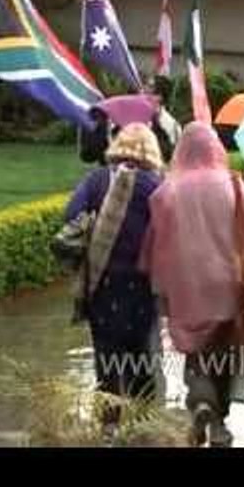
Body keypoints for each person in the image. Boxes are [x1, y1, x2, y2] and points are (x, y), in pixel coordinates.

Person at [139, 123, 244, 447]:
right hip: (228, 283)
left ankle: (202, 403)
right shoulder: (232, 185)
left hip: (185, 284)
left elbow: (155, 244)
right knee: (228, 353)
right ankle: (219, 423)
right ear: (216, 149)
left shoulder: (165, 193)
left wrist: (156, 281)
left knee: (195, 351)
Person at [64, 123, 165, 437]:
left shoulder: (96, 180)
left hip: (103, 285)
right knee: (142, 355)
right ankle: (142, 424)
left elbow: (71, 215)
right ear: (151, 150)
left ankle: (109, 424)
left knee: (107, 355)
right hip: (143, 285)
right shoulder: (156, 185)